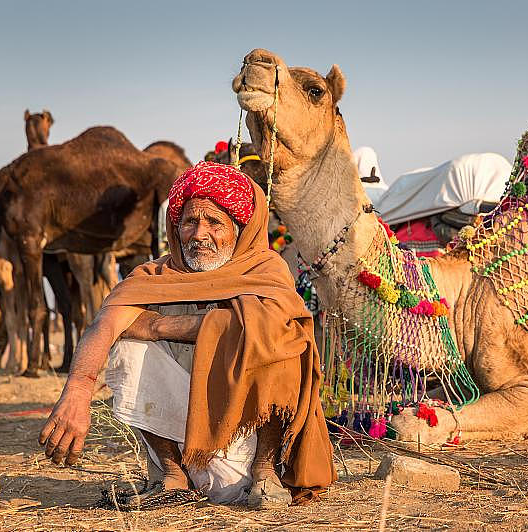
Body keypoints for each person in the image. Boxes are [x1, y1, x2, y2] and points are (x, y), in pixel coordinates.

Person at [38, 161, 336, 509]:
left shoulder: (265, 271)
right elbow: (105, 325)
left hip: (244, 448)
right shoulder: (156, 275)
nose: (199, 234)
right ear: (175, 227)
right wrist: (78, 389)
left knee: (279, 338)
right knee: (128, 345)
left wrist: (158, 325)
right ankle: (172, 476)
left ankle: (265, 471)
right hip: (182, 448)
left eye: (214, 222)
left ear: (240, 228)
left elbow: (272, 327)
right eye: (189, 222)